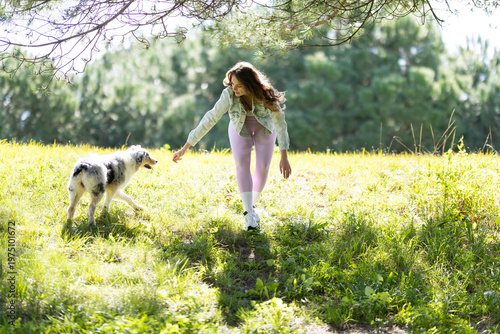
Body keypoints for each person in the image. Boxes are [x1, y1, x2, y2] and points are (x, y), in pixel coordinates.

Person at [172, 61, 292, 230]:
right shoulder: (229, 94)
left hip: (264, 127)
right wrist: (185, 147)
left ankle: (252, 206)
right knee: (242, 164)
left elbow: (280, 124)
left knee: (263, 166)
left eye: (239, 86)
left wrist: (284, 157)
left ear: (251, 84)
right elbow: (211, 117)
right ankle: (248, 213)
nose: (234, 89)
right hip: (239, 126)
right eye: (233, 85)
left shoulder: (266, 95)